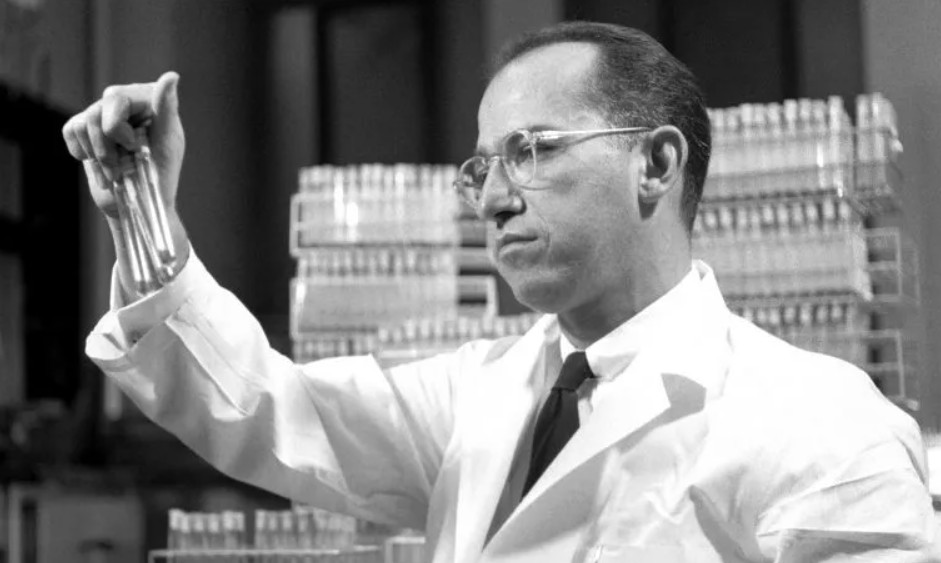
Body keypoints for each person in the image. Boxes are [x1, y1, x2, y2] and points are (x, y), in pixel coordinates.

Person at [63, 21, 937, 563]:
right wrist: (144, 212)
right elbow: (267, 406)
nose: (491, 199)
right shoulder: (478, 394)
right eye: (482, 166)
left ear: (655, 163)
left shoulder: (822, 423)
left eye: (532, 150)